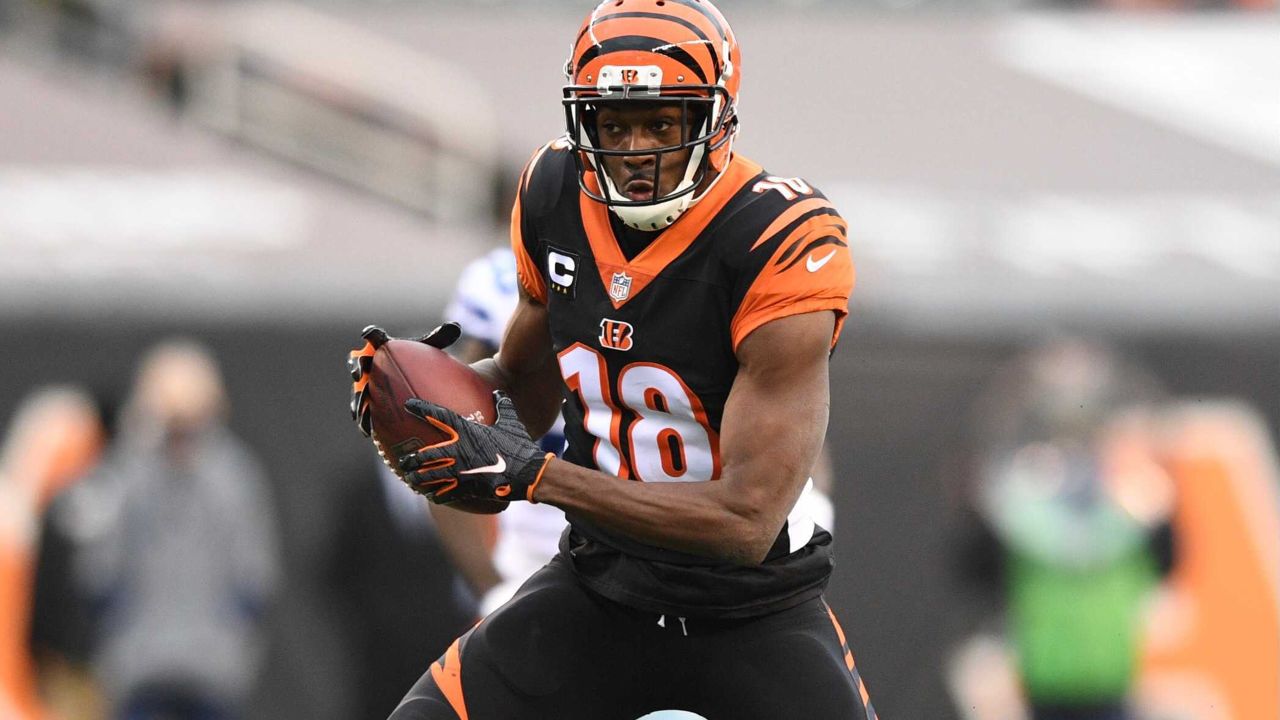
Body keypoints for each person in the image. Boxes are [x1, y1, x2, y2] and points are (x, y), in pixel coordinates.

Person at [349, 2, 875, 717]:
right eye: (615, 123)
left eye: (662, 123)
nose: (636, 152)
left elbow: (743, 524)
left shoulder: (774, 240)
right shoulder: (553, 192)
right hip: (601, 590)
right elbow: (524, 380)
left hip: (752, 614)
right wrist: (417, 400)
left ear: (714, 121)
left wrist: (539, 477)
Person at [63, 340, 280, 720]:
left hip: (210, 670)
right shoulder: (128, 474)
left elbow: (255, 578)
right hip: (144, 669)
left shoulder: (233, 478)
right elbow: (99, 572)